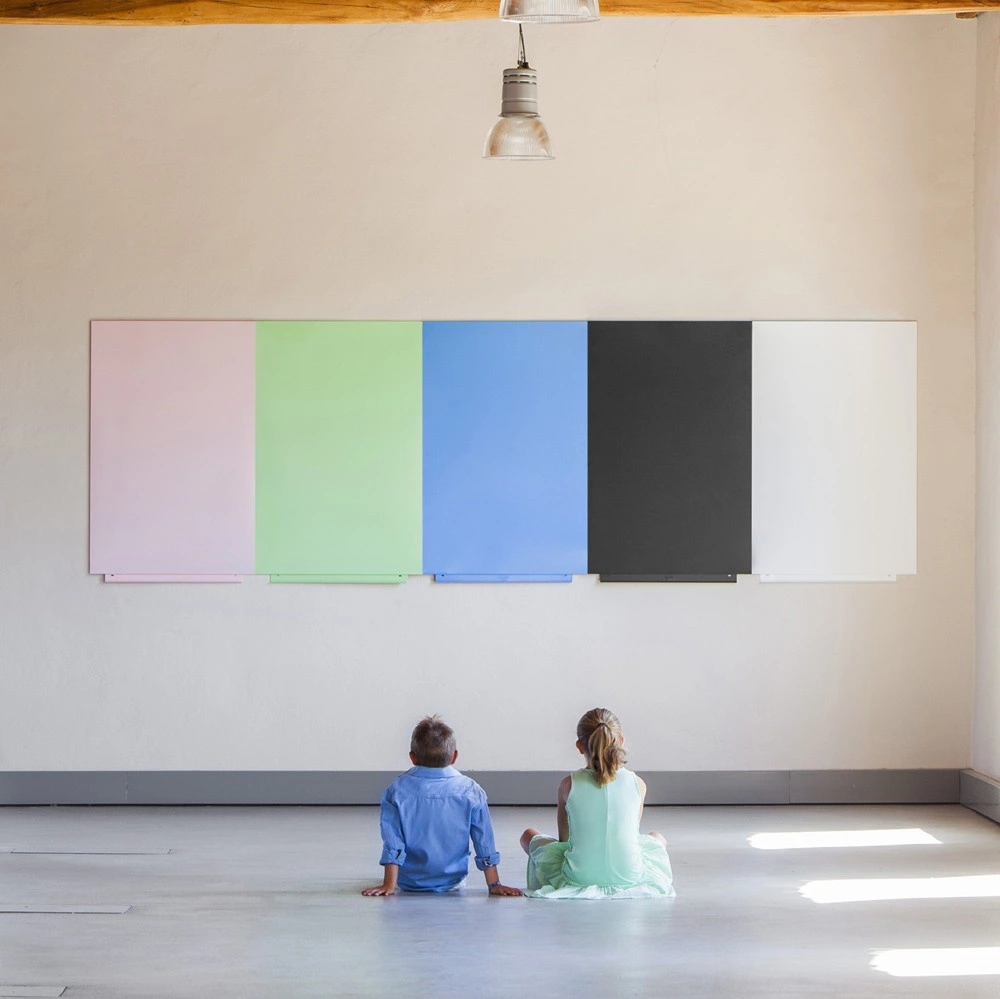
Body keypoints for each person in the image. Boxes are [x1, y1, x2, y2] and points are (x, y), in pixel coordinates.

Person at [520, 707, 675, 899]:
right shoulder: (638, 784)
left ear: (579, 746)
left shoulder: (568, 785)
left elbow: (564, 840)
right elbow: (631, 833)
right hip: (630, 876)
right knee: (656, 837)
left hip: (579, 877)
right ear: (621, 741)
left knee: (528, 835)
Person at [362, 715, 522, 897]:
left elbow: (393, 841)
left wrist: (389, 885)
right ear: (454, 756)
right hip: (453, 881)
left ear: (412, 757)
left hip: (408, 882)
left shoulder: (396, 791)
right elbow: (483, 839)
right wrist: (494, 884)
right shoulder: (471, 790)